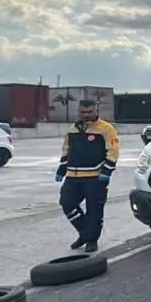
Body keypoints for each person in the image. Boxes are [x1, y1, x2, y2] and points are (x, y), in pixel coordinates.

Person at [56, 99, 120, 253]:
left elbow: (113, 151)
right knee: (67, 203)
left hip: (95, 177)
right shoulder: (73, 129)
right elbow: (66, 150)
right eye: (82, 112)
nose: (86, 115)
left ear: (96, 111)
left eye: (89, 112)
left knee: (95, 210)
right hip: (73, 176)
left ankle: (91, 240)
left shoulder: (106, 129)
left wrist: (106, 172)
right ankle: (85, 233)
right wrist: (61, 169)